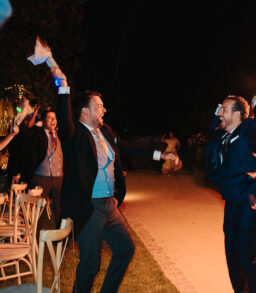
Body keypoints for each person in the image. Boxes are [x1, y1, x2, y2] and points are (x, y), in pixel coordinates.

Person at [51, 66, 175, 293]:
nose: (104, 110)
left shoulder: (105, 131)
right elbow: (64, 118)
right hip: (89, 207)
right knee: (90, 264)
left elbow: (126, 147)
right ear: (85, 112)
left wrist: (159, 155)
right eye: (99, 106)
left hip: (110, 205)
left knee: (125, 250)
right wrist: (62, 84)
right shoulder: (74, 134)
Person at [205, 93, 256, 293]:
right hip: (232, 205)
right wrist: (219, 111)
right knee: (232, 256)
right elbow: (213, 125)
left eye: (225, 109)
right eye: (220, 109)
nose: (220, 113)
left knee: (246, 256)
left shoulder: (246, 132)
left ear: (239, 114)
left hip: (249, 205)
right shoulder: (222, 136)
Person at [30, 110, 64, 228]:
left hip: (58, 177)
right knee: (39, 207)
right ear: (44, 121)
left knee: (59, 207)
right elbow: (29, 132)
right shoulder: (38, 134)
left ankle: (59, 234)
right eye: (49, 118)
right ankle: (37, 235)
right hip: (41, 177)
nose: (53, 120)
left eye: (54, 118)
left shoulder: (60, 135)